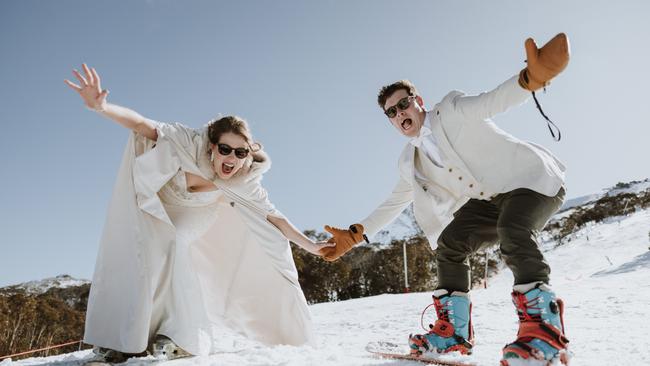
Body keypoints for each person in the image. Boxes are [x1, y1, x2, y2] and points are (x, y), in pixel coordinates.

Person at [320, 34, 571, 365]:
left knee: (514, 230)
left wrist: (530, 80)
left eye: (403, 104)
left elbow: (493, 100)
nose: (399, 114)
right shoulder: (409, 161)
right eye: (391, 112)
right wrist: (355, 235)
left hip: (530, 180)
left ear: (419, 101)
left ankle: (544, 333)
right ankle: (453, 335)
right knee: (451, 243)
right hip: (491, 199)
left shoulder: (451, 110)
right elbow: (394, 202)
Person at [65, 64, 333, 363]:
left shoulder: (245, 179)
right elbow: (142, 125)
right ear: (212, 147)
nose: (231, 159)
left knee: (175, 243)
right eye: (225, 150)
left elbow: (275, 218)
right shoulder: (188, 142)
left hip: (196, 215)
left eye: (240, 152)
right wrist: (102, 107)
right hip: (161, 203)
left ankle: (177, 335)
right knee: (139, 254)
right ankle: (121, 338)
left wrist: (313, 247)